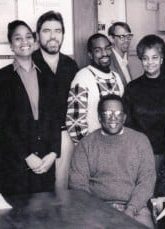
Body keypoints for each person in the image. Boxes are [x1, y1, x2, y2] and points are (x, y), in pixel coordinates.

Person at [69, 95, 156, 228]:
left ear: (124, 117)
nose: (113, 117)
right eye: (107, 113)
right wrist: (97, 211)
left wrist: (130, 210)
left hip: (135, 209)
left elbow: (147, 181)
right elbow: (78, 184)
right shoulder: (86, 144)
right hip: (96, 209)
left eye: (118, 113)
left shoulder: (140, 141)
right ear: (99, 117)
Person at [0, 20, 60, 195]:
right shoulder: (3, 78)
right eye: (18, 39)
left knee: (46, 215)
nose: (24, 42)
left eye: (28, 37)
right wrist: (26, 155)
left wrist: (53, 153)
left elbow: (55, 118)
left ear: (34, 41)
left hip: (45, 160)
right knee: (18, 218)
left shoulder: (47, 74)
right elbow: (3, 126)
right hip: (15, 161)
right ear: (11, 45)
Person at [33, 10, 79, 189]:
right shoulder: (29, 63)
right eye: (47, 31)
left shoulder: (70, 65)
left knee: (63, 189)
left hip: (65, 135)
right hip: (36, 137)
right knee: (38, 194)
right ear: (37, 35)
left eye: (58, 31)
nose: (53, 36)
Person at [123, 34, 165, 172]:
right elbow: (128, 124)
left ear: (162, 59)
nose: (150, 62)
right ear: (141, 60)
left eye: (154, 57)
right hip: (140, 154)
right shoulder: (132, 88)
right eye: (145, 58)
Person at [66, 33, 124, 144]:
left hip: (116, 145)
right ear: (90, 55)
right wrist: (90, 150)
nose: (104, 54)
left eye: (107, 49)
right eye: (98, 50)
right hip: (93, 148)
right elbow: (74, 123)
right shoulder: (82, 77)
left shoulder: (116, 77)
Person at [108, 22, 133, 86]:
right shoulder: (108, 63)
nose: (126, 40)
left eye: (128, 36)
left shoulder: (124, 59)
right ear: (111, 39)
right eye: (122, 37)